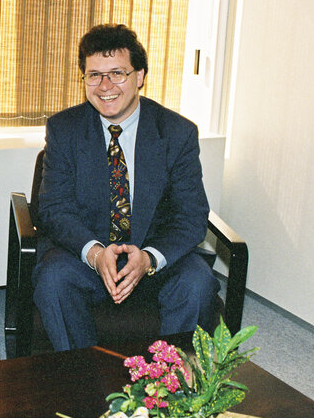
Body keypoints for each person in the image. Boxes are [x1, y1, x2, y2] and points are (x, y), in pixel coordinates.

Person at [32, 23, 219, 351]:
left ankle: (167, 386)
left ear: (140, 76)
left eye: (117, 73)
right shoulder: (64, 129)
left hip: (155, 262)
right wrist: (94, 253)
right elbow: (54, 208)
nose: (105, 86)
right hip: (87, 259)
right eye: (94, 75)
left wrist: (149, 259)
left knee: (197, 283)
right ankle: (82, 379)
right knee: (53, 279)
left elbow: (191, 215)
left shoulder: (176, 133)